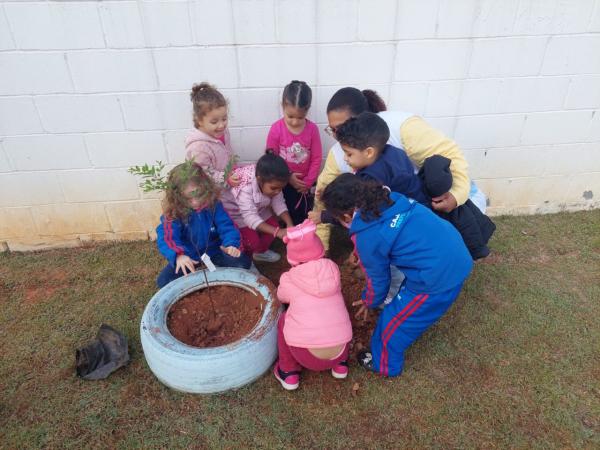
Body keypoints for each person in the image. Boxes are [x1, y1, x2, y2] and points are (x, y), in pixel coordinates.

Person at [321, 174, 472, 377]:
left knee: (392, 324)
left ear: (347, 217)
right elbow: (386, 239)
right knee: (407, 304)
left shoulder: (367, 235)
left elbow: (378, 280)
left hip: (435, 278)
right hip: (455, 253)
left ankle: (382, 364)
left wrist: (369, 301)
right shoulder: (392, 199)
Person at [310, 86, 486, 252]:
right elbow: (322, 196)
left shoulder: (401, 128)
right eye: (332, 130)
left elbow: (450, 155)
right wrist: (321, 246)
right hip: (405, 212)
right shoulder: (344, 153)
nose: (336, 136)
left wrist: (456, 195)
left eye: (340, 128)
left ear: (362, 120)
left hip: (435, 206)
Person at [273, 219, 352, 390]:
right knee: (334, 308)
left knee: (284, 320)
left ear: (292, 258)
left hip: (307, 357)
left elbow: (281, 297)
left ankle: (288, 372)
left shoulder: (289, 277)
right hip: (340, 351)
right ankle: (341, 365)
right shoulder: (333, 269)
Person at [155, 163, 250, 288]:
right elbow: (167, 237)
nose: (195, 202)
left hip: (214, 250)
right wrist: (178, 255)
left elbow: (227, 226)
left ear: (206, 188)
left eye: (199, 194)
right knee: (164, 281)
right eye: (187, 198)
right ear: (177, 197)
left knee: (242, 263)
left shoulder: (213, 204)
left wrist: (231, 244)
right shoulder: (174, 213)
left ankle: (215, 269)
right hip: (189, 256)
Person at [266, 80, 322, 224]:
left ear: (307, 110)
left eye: (300, 117)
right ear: (283, 106)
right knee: (288, 208)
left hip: (306, 183)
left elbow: (316, 158)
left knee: (305, 211)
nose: (295, 122)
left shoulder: (312, 130)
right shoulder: (276, 129)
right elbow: (272, 158)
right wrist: (288, 177)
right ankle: (291, 230)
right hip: (284, 181)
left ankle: (304, 232)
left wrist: (308, 182)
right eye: (290, 116)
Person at [221, 152, 294, 263]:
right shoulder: (245, 187)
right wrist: (278, 232)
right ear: (259, 179)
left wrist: (289, 224)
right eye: (274, 188)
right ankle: (247, 259)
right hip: (237, 213)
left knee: (274, 226)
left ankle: (259, 252)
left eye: (281, 188)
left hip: (258, 206)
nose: (278, 191)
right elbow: (250, 218)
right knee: (251, 241)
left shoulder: (273, 181)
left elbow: (279, 203)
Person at [185, 82, 240, 187]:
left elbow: (228, 153)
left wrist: (234, 169)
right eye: (214, 122)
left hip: (229, 183)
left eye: (224, 119)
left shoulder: (222, 132)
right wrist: (225, 178)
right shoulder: (198, 147)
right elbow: (204, 174)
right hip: (213, 191)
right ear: (199, 120)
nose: (221, 125)